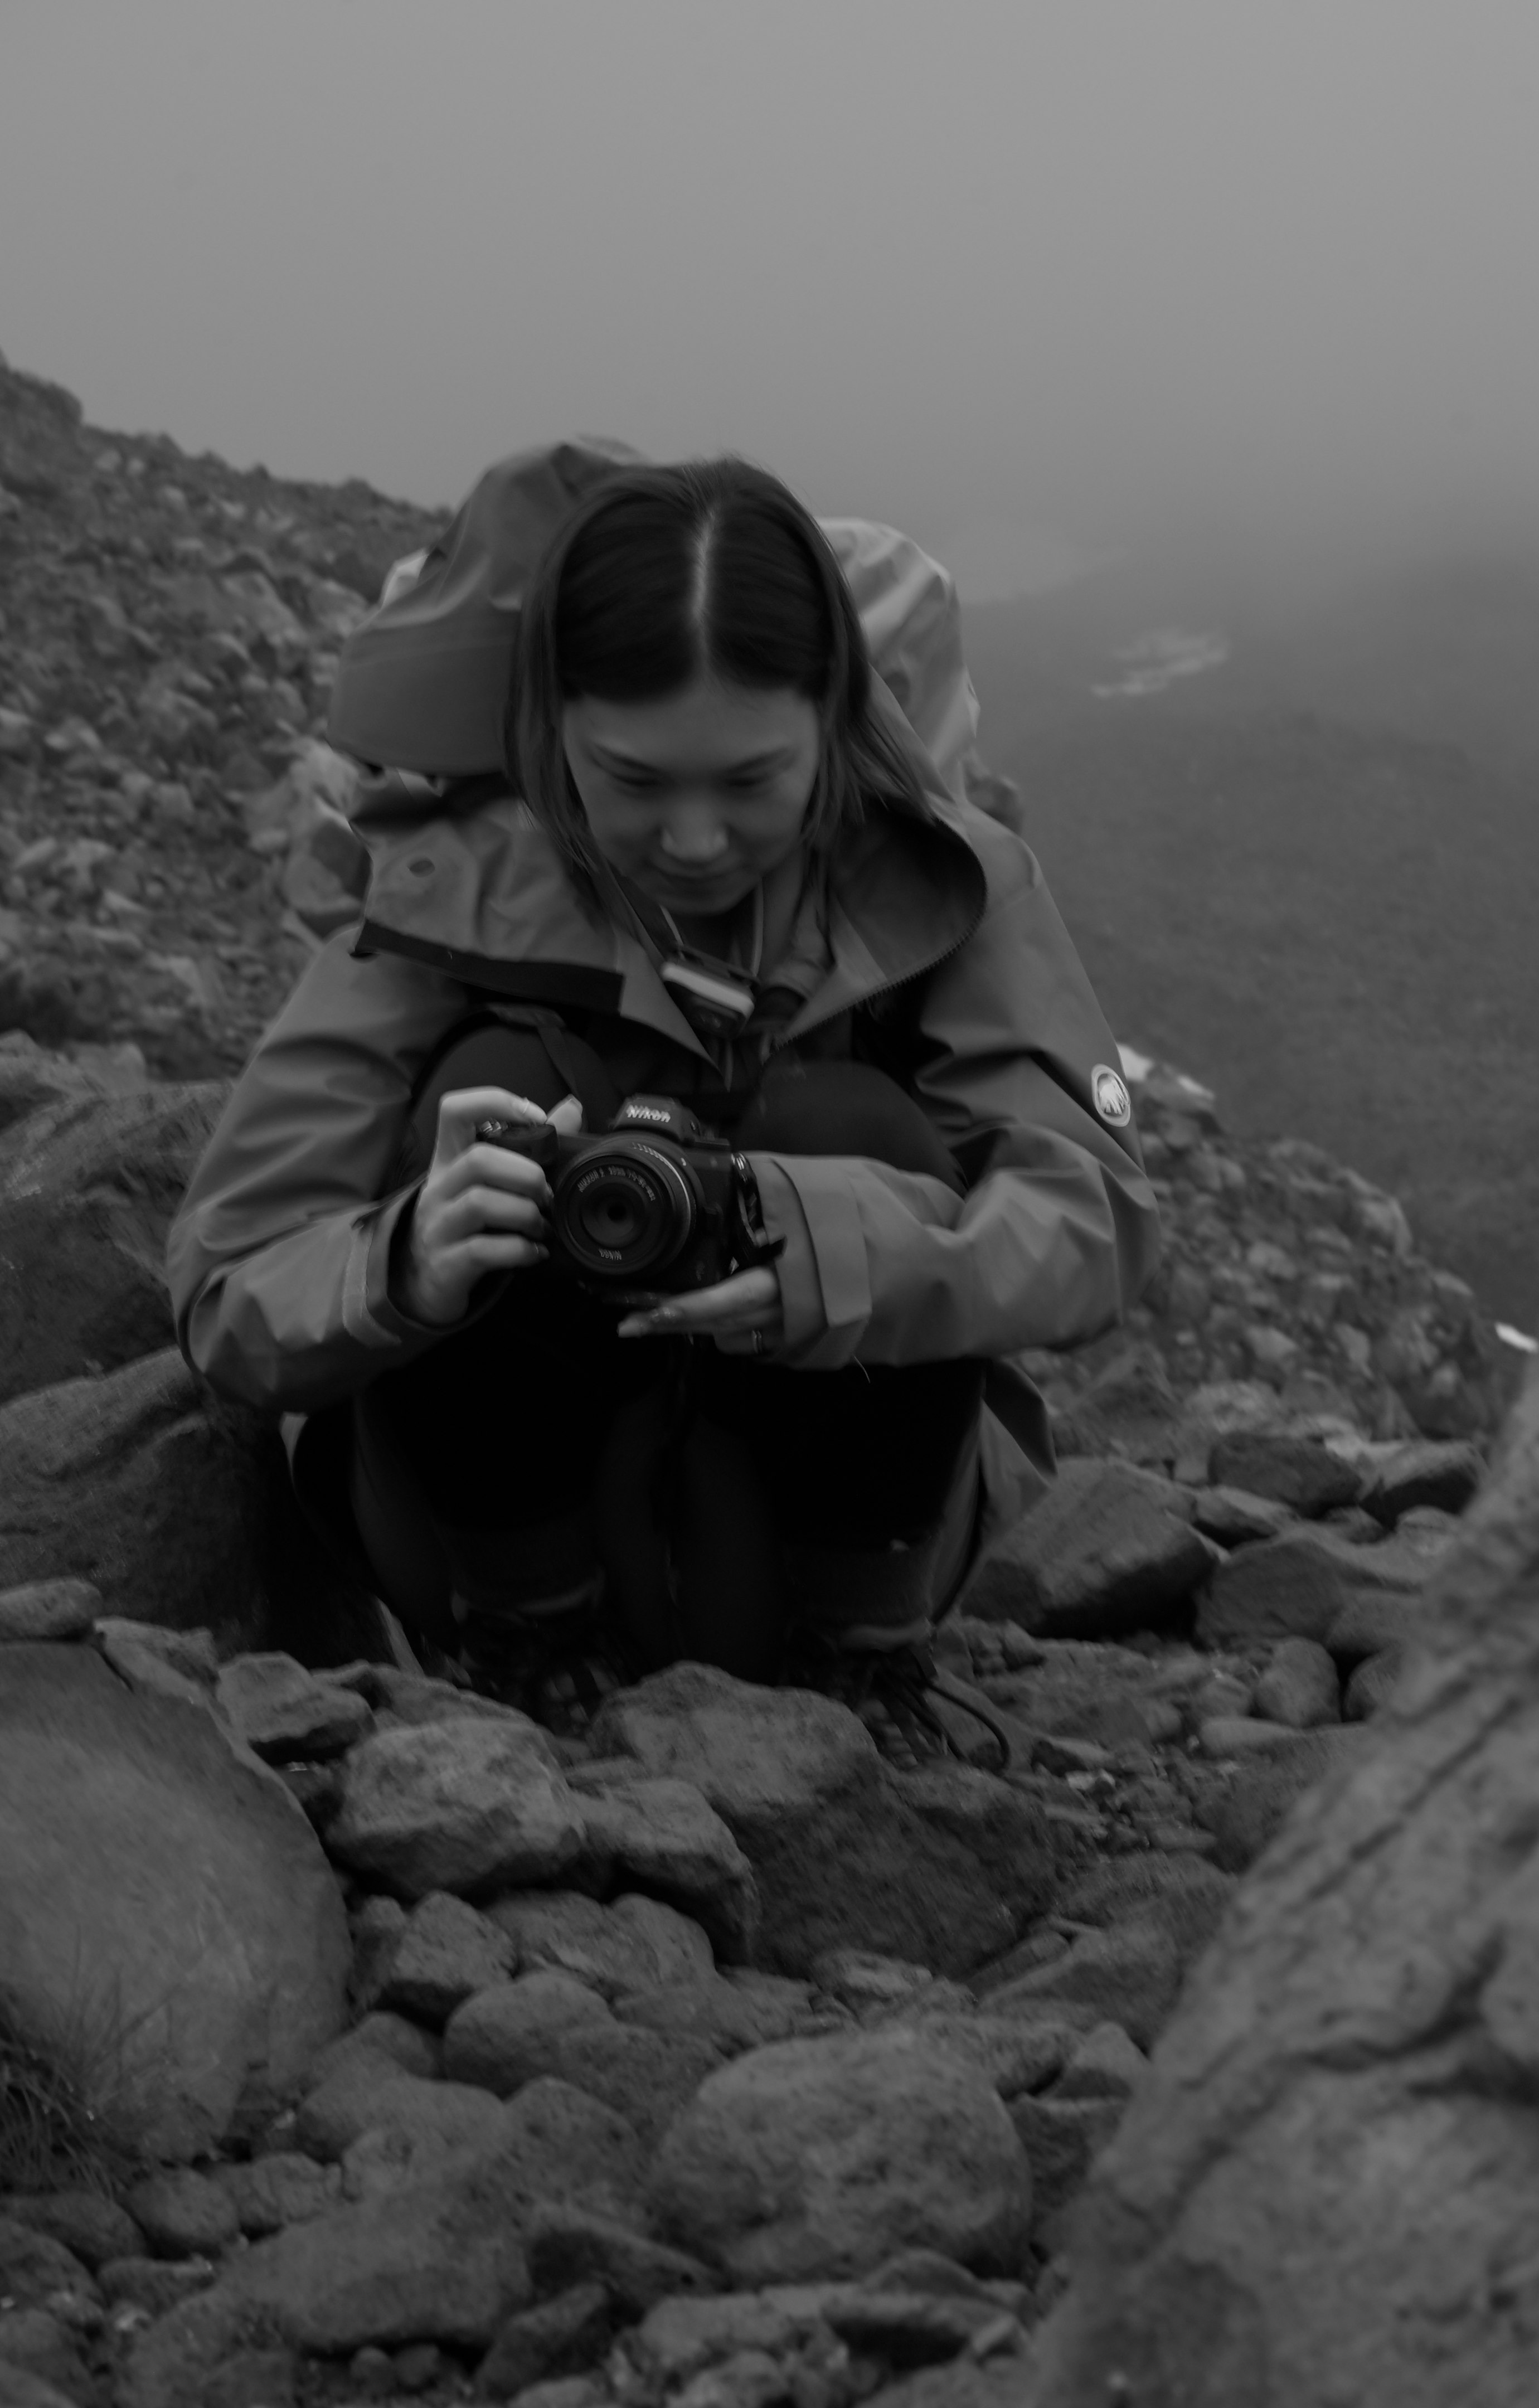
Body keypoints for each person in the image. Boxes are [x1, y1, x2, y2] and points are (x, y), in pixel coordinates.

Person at [167, 455, 1159, 1736]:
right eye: (632, 781)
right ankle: (529, 1644)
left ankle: (854, 1669)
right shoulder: (445, 896)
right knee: (496, 1102)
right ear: (551, 725)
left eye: (752, 781)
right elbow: (224, 1277)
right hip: (473, 1561)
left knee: (848, 1134)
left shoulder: (949, 886)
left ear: (836, 720)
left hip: (844, 1555)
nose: (694, 840)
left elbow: (1100, 1222)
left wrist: (838, 1250)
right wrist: (403, 1261)